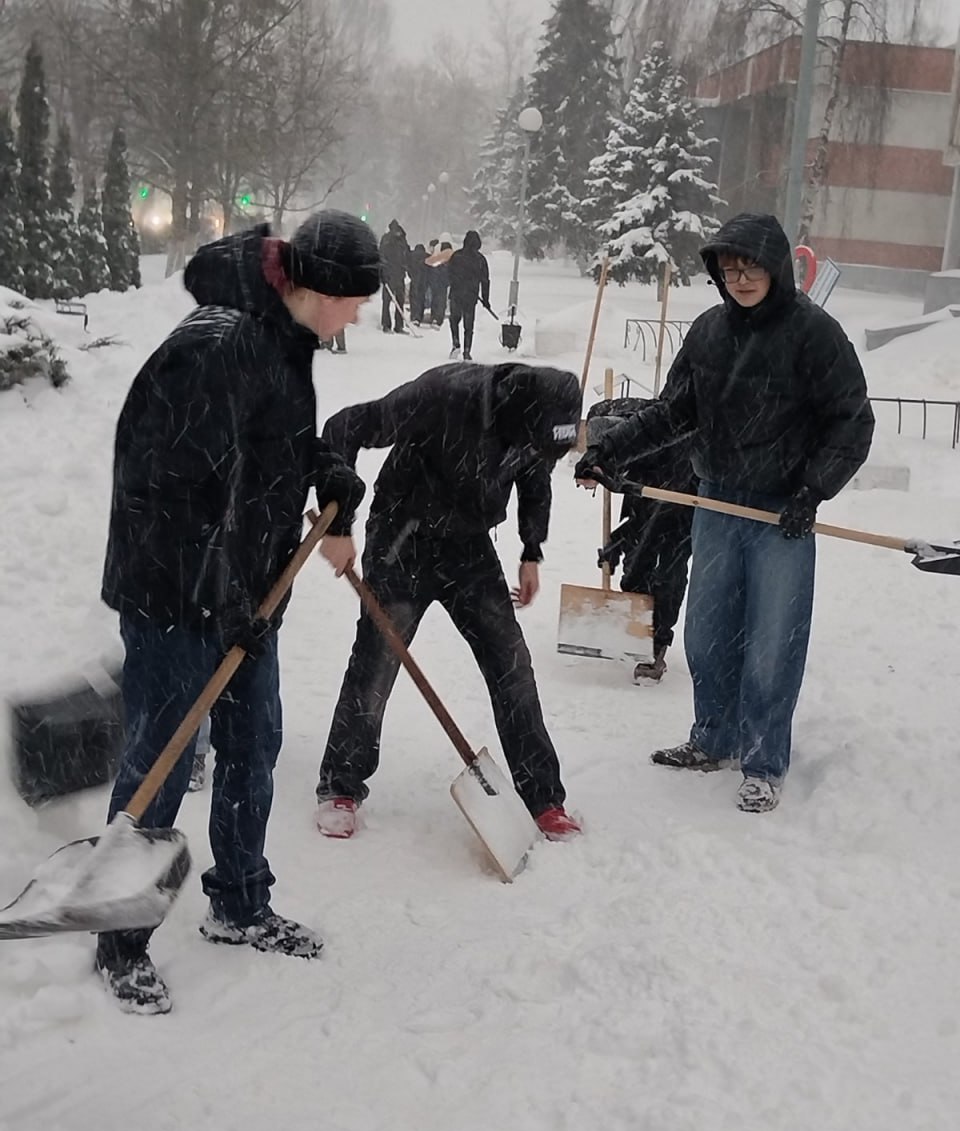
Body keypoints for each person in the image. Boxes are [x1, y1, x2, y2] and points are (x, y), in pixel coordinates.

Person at [97, 211, 380, 1014]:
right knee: (161, 761)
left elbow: (266, 444)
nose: (358, 316)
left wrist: (325, 467)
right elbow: (169, 494)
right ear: (320, 289)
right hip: (175, 595)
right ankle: (119, 939)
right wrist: (217, 598)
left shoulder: (282, 338)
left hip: (247, 591)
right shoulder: (215, 344)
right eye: (356, 301)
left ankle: (241, 904)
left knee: (253, 746)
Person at [576, 212, 874, 813]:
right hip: (714, 501)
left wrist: (812, 491)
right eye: (729, 269)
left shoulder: (815, 334)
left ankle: (763, 762)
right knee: (708, 635)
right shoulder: (709, 332)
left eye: (750, 268)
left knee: (771, 645)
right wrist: (609, 448)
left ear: (776, 268)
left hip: (782, 515)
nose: (739, 279)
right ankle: (713, 739)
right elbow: (673, 412)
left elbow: (852, 421)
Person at [315, 361, 584, 842]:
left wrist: (531, 550)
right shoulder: (442, 395)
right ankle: (341, 786)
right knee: (377, 662)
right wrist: (338, 525)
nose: (533, 453)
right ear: (513, 412)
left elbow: (534, 477)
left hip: (469, 545)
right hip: (403, 536)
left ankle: (544, 798)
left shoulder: (536, 426)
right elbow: (345, 426)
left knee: (511, 665)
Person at [586, 397, 695, 683]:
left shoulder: (669, 442)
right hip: (648, 485)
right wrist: (619, 541)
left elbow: (659, 518)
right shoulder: (610, 422)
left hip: (685, 494)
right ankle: (635, 631)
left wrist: (626, 540)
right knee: (635, 567)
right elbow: (640, 515)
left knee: (668, 570)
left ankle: (657, 644)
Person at [447, 229, 491, 361]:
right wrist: (485, 299)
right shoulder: (480, 260)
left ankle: (456, 343)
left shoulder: (456, 256)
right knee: (469, 325)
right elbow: (485, 281)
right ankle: (467, 350)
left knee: (454, 320)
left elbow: (448, 274)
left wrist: (454, 283)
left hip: (456, 293)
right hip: (471, 296)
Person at [379, 218, 410, 333]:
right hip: (392, 274)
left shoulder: (398, 240)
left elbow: (381, 257)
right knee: (391, 300)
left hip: (395, 274)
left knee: (394, 301)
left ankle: (393, 325)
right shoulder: (393, 240)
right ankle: (391, 325)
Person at [426, 237, 453, 326]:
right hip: (443, 282)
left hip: (436, 281)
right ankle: (438, 318)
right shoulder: (451, 259)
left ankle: (434, 316)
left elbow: (430, 265)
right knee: (441, 300)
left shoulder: (438, 258)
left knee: (435, 299)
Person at [408, 242, 428, 325]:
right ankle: (419, 316)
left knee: (413, 298)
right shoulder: (427, 256)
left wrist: (411, 276)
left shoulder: (411, 256)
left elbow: (408, 267)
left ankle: (413, 316)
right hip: (424, 281)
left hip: (414, 280)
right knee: (421, 298)